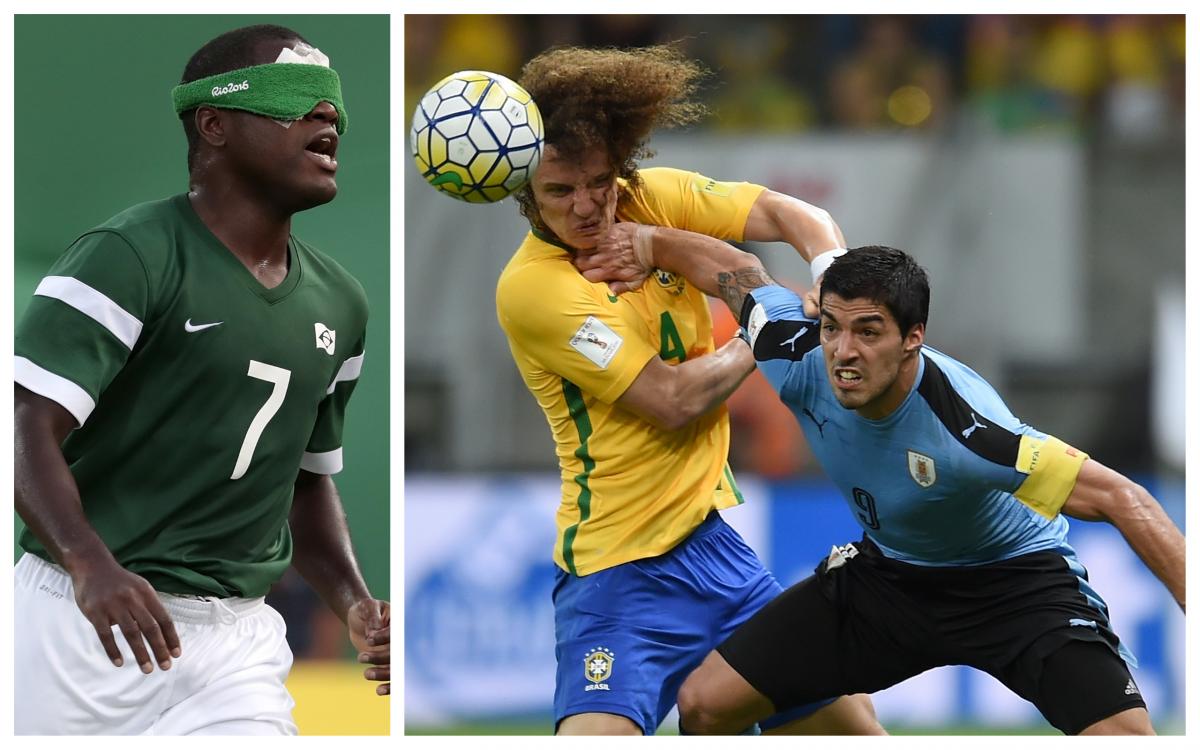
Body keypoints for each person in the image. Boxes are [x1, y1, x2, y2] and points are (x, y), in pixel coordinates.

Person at [575, 231, 1186, 735]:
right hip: (890, 580)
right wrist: (649, 241)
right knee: (706, 705)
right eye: (833, 326)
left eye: (868, 332)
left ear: (912, 338)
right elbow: (736, 270)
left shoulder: (969, 430)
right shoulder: (793, 353)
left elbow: (1119, 497)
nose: (843, 351)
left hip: (1016, 587)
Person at [494, 45, 882, 736]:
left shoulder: (652, 198)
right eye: (559, 192)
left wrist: (828, 276)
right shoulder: (534, 290)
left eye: (598, 182)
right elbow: (673, 399)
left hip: (716, 552)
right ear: (527, 193)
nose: (586, 206)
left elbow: (798, 215)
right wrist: (772, 327)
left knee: (858, 732)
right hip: (616, 573)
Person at [14, 24, 389, 735]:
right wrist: (89, 564)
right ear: (213, 123)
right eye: (296, 99)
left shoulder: (343, 304)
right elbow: (23, 422)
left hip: (235, 645)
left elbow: (304, 479)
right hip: (75, 621)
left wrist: (354, 602)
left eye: (333, 104)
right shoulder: (127, 256)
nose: (327, 116)